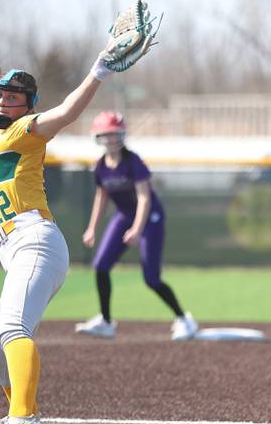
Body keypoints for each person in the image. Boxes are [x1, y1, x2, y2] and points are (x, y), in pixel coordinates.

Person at [0, 0, 153, 424]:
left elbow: (69, 112)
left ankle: (23, 420)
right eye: (1, 94)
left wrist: (99, 68)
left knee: (15, 332)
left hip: (35, 240)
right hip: (16, 252)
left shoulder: (26, 130)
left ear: (26, 106)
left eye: (14, 96)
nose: (3, 98)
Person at [75, 111, 198, 341]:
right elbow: (101, 197)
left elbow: (144, 198)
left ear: (121, 135)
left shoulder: (133, 161)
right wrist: (92, 227)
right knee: (101, 266)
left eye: (114, 134)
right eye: (105, 135)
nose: (110, 139)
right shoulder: (101, 165)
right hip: (124, 216)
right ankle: (106, 322)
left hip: (150, 218)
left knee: (151, 278)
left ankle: (184, 319)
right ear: (98, 137)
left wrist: (138, 229)